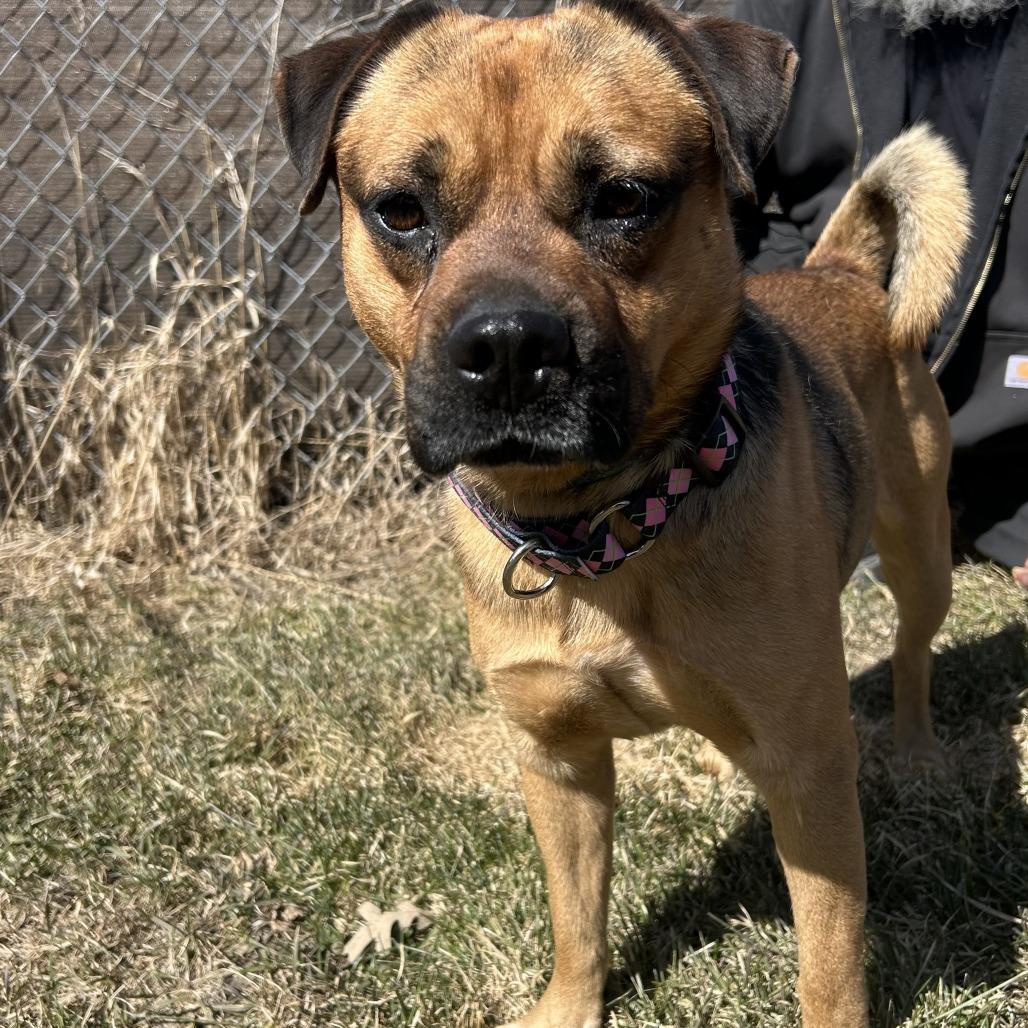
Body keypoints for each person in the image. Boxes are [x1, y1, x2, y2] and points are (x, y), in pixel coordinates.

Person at [733, 0, 1028, 587]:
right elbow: (721, 215)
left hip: (1013, 455)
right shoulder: (781, 15)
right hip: (816, 413)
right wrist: (822, 301)